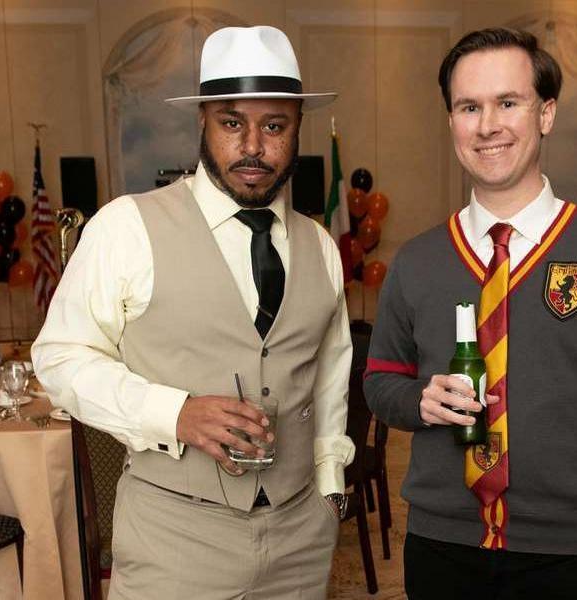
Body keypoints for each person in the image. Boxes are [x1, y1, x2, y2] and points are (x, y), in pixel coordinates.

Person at [32, 25, 354, 600]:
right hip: (172, 541)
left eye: (274, 126)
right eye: (232, 123)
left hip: (300, 542)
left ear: (297, 129)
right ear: (202, 121)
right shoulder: (126, 227)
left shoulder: (321, 247)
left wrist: (330, 490)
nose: (253, 146)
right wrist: (174, 413)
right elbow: (60, 357)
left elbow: (329, 380)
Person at [364, 28, 577, 600]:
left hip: (568, 557)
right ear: (451, 121)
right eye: (469, 107)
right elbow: (380, 382)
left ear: (546, 114)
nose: (488, 125)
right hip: (439, 548)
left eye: (508, 102)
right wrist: (418, 400)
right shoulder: (417, 260)